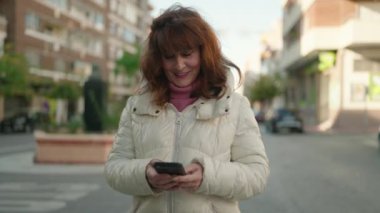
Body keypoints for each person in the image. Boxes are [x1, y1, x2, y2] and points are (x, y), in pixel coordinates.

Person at [104, 5, 269, 213]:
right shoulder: (136, 106)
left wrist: (207, 175)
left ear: (203, 52)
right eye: (169, 56)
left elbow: (257, 175)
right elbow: (114, 169)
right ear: (158, 59)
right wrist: (145, 174)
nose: (179, 65)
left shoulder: (235, 106)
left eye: (186, 54)